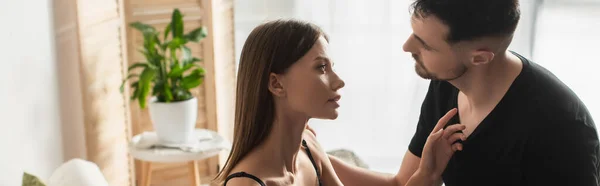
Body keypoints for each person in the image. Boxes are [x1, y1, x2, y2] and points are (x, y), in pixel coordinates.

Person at [326, 0, 600, 186]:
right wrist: (314, 156)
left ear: (479, 58)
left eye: (426, 45)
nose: (407, 47)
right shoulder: (446, 82)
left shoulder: (562, 129)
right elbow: (402, 182)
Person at [213, 19, 467, 186]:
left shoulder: (309, 148)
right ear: (276, 84)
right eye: (321, 68)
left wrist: (428, 173)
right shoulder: (247, 184)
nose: (339, 82)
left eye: (332, 67)